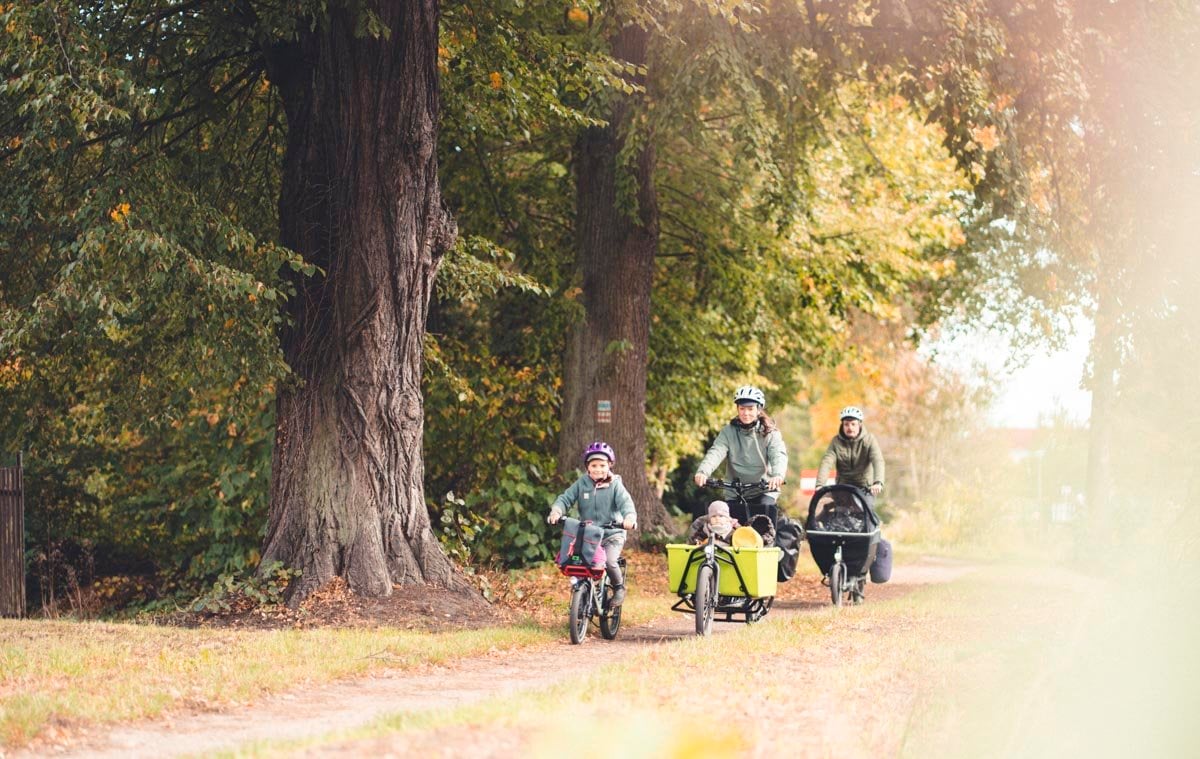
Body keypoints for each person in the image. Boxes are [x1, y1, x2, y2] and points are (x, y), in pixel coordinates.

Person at [548, 441, 637, 605]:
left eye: (602, 465)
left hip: (612, 534)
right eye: (594, 465)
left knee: (610, 562)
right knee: (578, 564)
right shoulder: (582, 483)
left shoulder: (615, 485)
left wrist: (629, 518)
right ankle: (581, 598)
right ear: (587, 467)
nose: (598, 469)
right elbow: (565, 498)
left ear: (610, 465)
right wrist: (557, 511)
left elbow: (626, 504)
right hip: (589, 535)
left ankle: (619, 588)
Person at [693, 386, 788, 529]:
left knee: (763, 521)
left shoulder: (770, 433)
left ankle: (767, 547)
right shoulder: (728, 432)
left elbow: (778, 455)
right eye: (742, 408)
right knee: (726, 526)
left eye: (750, 409)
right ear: (737, 409)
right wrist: (703, 472)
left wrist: (778, 475)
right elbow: (716, 452)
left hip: (763, 489)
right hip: (735, 490)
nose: (746, 413)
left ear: (759, 409)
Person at [815, 405, 885, 503]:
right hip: (843, 488)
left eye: (853, 424)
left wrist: (878, 482)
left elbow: (878, 461)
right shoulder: (836, 442)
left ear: (859, 425)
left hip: (864, 488)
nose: (850, 428)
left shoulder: (869, 440)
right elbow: (826, 462)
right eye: (846, 424)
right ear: (842, 426)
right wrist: (820, 485)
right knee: (835, 514)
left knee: (867, 514)